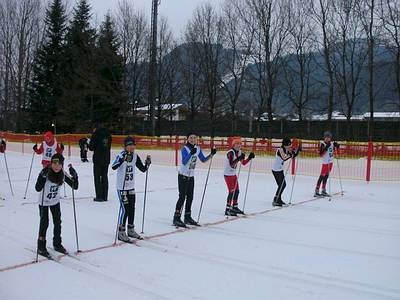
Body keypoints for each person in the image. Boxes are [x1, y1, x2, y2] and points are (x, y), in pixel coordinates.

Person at [35, 153, 79, 257]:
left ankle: (57, 243)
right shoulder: (46, 172)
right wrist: (42, 177)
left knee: (57, 222)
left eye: (59, 163)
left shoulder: (63, 173)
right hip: (44, 202)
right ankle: (41, 246)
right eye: (54, 162)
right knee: (44, 223)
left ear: (62, 165)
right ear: (51, 163)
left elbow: (74, 186)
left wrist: (75, 175)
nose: (56, 165)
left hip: (55, 202)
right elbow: (37, 188)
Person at [111, 136, 151, 242]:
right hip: (122, 187)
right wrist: (123, 159)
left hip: (131, 186)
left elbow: (142, 169)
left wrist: (147, 164)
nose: (131, 147)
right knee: (124, 209)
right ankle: (121, 231)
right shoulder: (121, 155)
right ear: (125, 146)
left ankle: (130, 229)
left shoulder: (135, 156)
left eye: (133, 145)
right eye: (129, 145)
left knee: (132, 208)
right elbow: (113, 166)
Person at [173, 132, 216, 228]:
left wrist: (211, 154)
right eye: (191, 138)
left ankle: (187, 217)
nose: (193, 139)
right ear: (187, 139)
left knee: (190, 197)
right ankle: (176, 217)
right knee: (182, 197)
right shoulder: (185, 148)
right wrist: (190, 154)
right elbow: (184, 162)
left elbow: (203, 160)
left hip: (191, 176)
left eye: (194, 138)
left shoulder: (197, 148)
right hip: (183, 175)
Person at [223, 137, 255, 216]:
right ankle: (227, 209)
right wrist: (239, 158)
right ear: (233, 145)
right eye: (237, 144)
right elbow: (231, 164)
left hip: (233, 174)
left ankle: (235, 206)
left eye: (240, 144)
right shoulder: (230, 153)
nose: (239, 145)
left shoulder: (239, 152)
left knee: (237, 191)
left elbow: (243, 163)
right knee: (231, 191)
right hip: (228, 174)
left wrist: (249, 158)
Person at [271, 138, 300, 206]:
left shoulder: (286, 149)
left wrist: (297, 151)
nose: (290, 146)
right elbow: (284, 158)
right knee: (282, 185)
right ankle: (276, 199)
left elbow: (292, 156)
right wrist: (291, 154)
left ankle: (279, 199)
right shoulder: (280, 150)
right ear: (285, 144)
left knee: (282, 185)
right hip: (276, 170)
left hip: (280, 169)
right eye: (289, 144)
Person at [89, 122, 112, 202]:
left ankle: (99, 196)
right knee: (105, 177)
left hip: (98, 159)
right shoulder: (108, 134)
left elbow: (91, 147)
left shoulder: (95, 134)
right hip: (106, 158)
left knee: (97, 178)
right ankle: (105, 196)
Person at [314, 131, 340, 197]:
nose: (327, 139)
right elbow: (321, 154)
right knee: (322, 176)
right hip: (325, 162)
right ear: (324, 138)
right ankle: (316, 190)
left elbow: (336, 149)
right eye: (326, 137)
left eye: (329, 137)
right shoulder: (323, 144)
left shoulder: (331, 143)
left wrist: (337, 146)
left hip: (330, 162)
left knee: (326, 176)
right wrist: (326, 147)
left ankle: (323, 190)